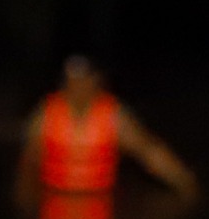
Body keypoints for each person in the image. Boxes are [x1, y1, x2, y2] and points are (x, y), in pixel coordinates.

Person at [14, 55, 198, 207]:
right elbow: (28, 161)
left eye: (85, 79)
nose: (79, 86)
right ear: (64, 83)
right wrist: (24, 205)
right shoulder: (45, 114)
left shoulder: (114, 115)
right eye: (73, 80)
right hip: (56, 202)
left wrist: (185, 183)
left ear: (96, 81)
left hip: (100, 204)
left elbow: (148, 150)